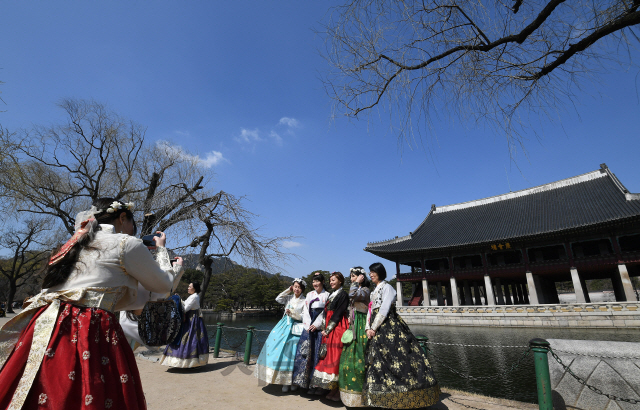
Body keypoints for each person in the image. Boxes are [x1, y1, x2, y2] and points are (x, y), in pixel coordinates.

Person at [0, 198, 182, 410]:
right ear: (122, 217)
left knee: (39, 386)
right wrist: (163, 253)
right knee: (91, 388)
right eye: (132, 224)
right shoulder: (126, 243)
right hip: (87, 325)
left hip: (44, 324)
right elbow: (163, 285)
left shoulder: (74, 244)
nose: (133, 231)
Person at [362, 263, 440, 409]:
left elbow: (384, 310)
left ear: (380, 272)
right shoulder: (374, 291)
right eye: (370, 272)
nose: (370, 274)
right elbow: (370, 310)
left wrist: (373, 327)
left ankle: (402, 397)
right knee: (377, 362)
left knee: (396, 360)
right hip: (375, 329)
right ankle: (380, 398)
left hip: (388, 327)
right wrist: (368, 328)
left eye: (373, 272)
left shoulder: (388, 288)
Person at [255, 278, 306, 391]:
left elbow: (304, 317)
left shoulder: (304, 301)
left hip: (296, 328)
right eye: (295, 286)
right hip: (284, 326)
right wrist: (288, 290)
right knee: (281, 352)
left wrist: (292, 313)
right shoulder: (288, 298)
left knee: (292, 355)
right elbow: (278, 298)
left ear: (302, 289)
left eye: (299, 287)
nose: (297, 289)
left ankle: (293, 382)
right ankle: (284, 381)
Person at [310, 271, 350, 401]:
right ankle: (331, 388)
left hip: (337, 326)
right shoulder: (332, 294)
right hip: (328, 327)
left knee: (336, 356)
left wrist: (328, 329)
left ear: (340, 281)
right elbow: (325, 312)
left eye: (334, 280)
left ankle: (338, 390)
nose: (331, 282)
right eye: (331, 280)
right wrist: (323, 327)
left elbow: (338, 313)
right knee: (327, 356)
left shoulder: (343, 294)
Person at [338, 266, 371, 406]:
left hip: (362, 324)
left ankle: (363, 396)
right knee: (348, 358)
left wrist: (355, 283)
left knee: (360, 356)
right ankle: (348, 396)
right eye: (351, 276)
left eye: (355, 276)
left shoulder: (365, 290)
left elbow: (352, 294)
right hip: (353, 323)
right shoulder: (358, 288)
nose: (352, 279)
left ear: (361, 277)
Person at [292, 274, 328, 393]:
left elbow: (325, 312)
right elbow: (306, 311)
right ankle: (304, 383)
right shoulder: (309, 295)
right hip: (308, 328)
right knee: (304, 355)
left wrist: (317, 324)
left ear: (322, 281)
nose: (315, 283)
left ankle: (316, 386)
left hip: (318, 328)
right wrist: (307, 324)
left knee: (317, 356)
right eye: (313, 281)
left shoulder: (327, 295)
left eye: (317, 281)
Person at [159, 281, 209, 368]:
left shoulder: (194, 297)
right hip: (189, 319)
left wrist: (178, 300)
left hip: (192, 320)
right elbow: (185, 305)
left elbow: (185, 308)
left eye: (190, 287)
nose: (188, 288)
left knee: (189, 339)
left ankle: (187, 362)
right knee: (188, 339)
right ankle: (183, 361)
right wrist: (179, 299)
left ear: (195, 288)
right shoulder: (193, 296)